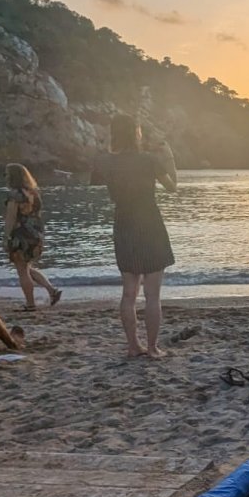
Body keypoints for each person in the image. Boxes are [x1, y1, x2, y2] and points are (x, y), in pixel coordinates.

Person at [91, 115, 177, 357]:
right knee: (152, 294)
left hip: (124, 224)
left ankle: (133, 346)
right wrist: (170, 159)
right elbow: (172, 187)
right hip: (149, 224)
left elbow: (95, 182)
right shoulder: (149, 160)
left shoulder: (105, 162)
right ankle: (152, 348)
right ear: (135, 133)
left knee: (129, 293)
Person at [2, 164, 61, 311]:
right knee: (27, 267)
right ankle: (52, 290)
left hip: (20, 235)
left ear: (13, 176)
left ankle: (30, 304)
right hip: (35, 233)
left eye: (7, 174)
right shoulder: (33, 193)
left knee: (22, 271)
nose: (5, 177)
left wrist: (6, 237)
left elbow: (11, 217)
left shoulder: (15, 195)